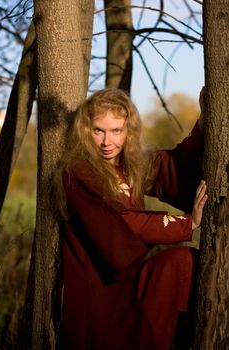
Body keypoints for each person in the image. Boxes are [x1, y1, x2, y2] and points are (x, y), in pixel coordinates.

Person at [56, 88, 207, 350]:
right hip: (99, 294)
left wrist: (205, 123)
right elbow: (123, 223)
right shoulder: (77, 173)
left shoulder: (128, 165)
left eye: (116, 131)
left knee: (183, 262)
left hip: (131, 283)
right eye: (98, 131)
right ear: (84, 131)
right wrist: (187, 223)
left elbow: (170, 165)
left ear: (128, 131)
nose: (107, 142)